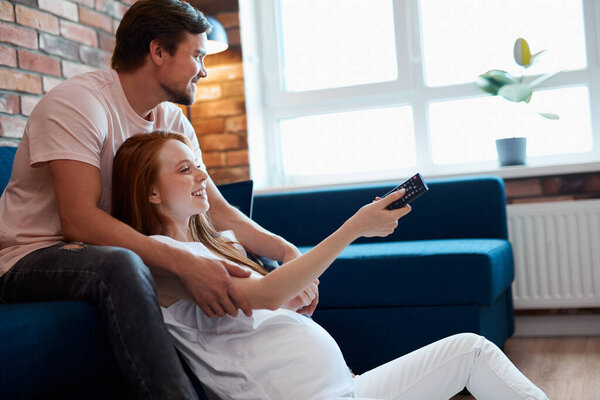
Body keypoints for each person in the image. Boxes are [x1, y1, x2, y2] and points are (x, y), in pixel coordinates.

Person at [0, 1, 306, 399]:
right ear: (158, 52)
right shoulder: (78, 103)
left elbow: (218, 210)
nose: (204, 68)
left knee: (242, 260)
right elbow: (77, 220)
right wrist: (183, 261)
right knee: (125, 263)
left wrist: (286, 253)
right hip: (31, 257)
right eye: (197, 54)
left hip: (97, 250)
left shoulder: (172, 120)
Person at [112, 130, 550, 400]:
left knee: (471, 351)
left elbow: (251, 313)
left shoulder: (215, 244)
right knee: (470, 353)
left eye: (198, 167)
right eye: (185, 169)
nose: (202, 177)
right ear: (150, 192)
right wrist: (353, 227)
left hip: (347, 387)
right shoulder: (164, 259)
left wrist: (290, 305)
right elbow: (259, 295)